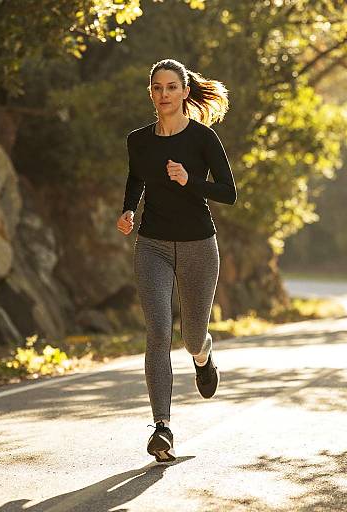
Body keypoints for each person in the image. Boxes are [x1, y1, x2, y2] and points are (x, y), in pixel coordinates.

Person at [116, 58, 237, 463]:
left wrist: (190, 181)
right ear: (150, 92)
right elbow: (137, 176)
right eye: (157, 88)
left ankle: (203, 356)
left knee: (190, 336)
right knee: (157, 332)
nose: (163, 95)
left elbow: (228, 192)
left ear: (185, 92)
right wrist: (129, 210)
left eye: (171, 87)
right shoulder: (139, 140)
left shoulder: (203, 138)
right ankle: (162, 427)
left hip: (198, 244)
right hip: (151, 244)